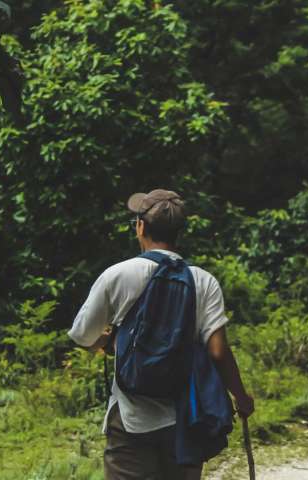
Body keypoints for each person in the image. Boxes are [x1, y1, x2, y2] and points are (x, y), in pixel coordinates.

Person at [68, 189, 255, 480]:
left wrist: (109, 343)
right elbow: (218, 351)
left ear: (140, 226)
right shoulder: (203, 281)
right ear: (180, 231)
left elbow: (81, 336)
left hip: (130, 418)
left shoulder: (118, 275)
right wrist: (241, 397)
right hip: (186, 419)